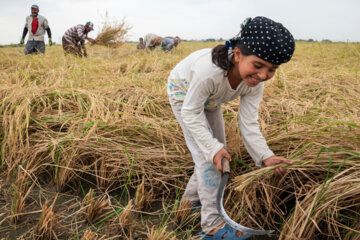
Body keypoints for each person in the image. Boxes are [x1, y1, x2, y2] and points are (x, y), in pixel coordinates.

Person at [167, 16, 295, 239]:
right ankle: (212, 225)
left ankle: (188, 204)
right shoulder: (209, 72)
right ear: (237, 54)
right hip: (184, 97)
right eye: (258, 65)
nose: (263, 75)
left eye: (272, 70)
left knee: (218, 153)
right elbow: (191, 111)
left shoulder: (254, 83)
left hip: (211, 101)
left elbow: (249, 122)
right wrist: (211, 148)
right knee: (210, 157)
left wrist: (265, 156)